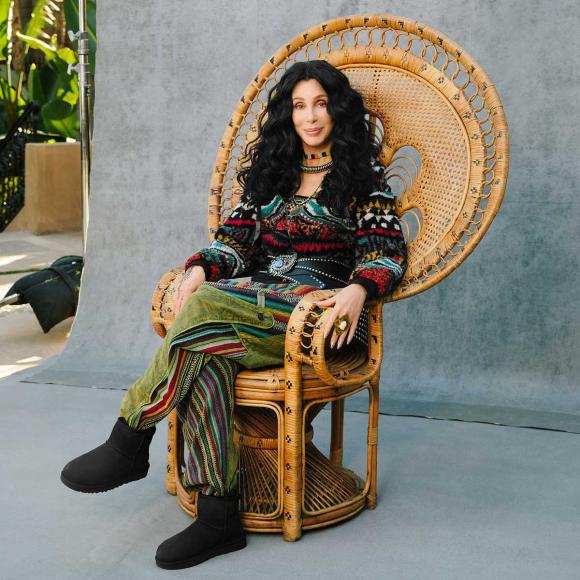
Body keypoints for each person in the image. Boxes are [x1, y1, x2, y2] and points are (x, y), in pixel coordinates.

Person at [60, 60, 408, 570]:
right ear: (287, 115)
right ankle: (218, 517)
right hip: (251, 308)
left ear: (337, 110)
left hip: (317, 320)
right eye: (299, 106)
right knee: (207, 353)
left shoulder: (362, 179)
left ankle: (130, 436)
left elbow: (388, 254)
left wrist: (358, 289)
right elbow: (233, 245)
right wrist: (202, 268)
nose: (311, 117)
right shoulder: (274, 174)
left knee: (203, 308)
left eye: (320, 104)